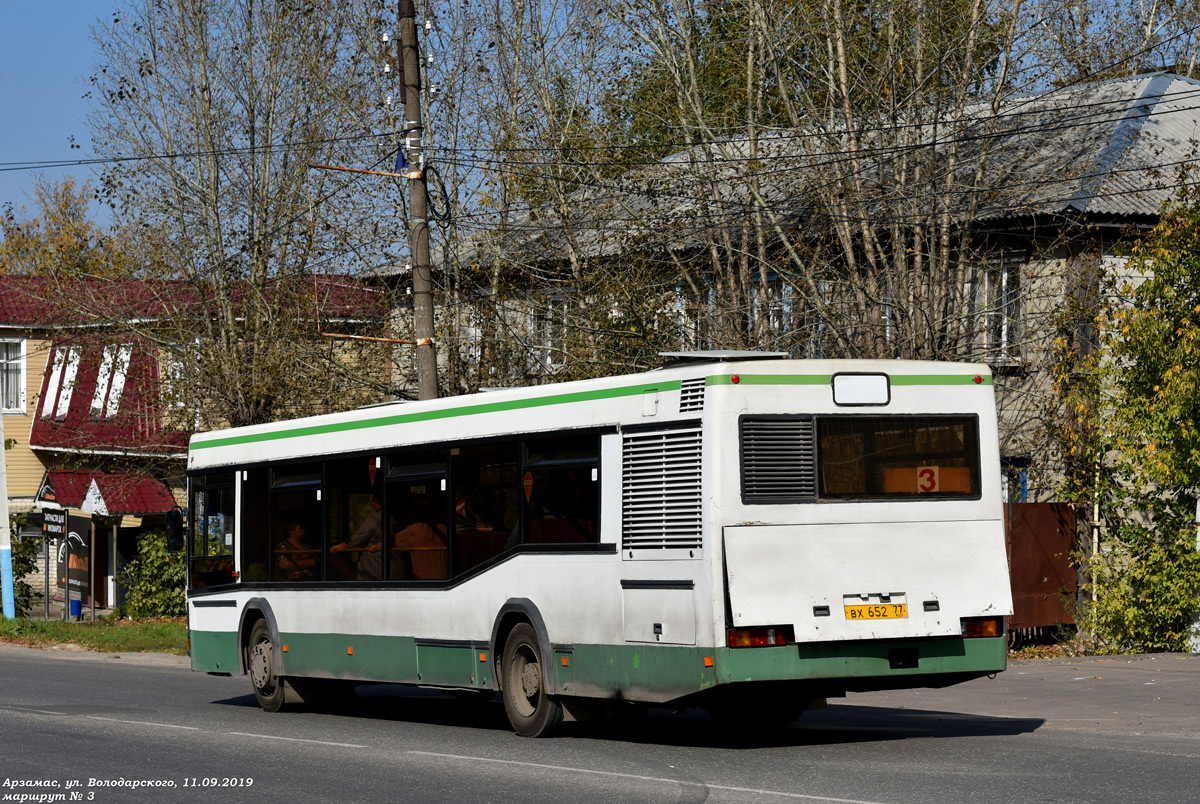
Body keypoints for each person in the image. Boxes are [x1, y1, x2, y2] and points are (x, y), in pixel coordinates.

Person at [330, 495, 383, 580]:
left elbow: (358, 538)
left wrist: (341, 546)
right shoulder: (396, 517)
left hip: (375, 568)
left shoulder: (374, 518)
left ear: (377, 500)